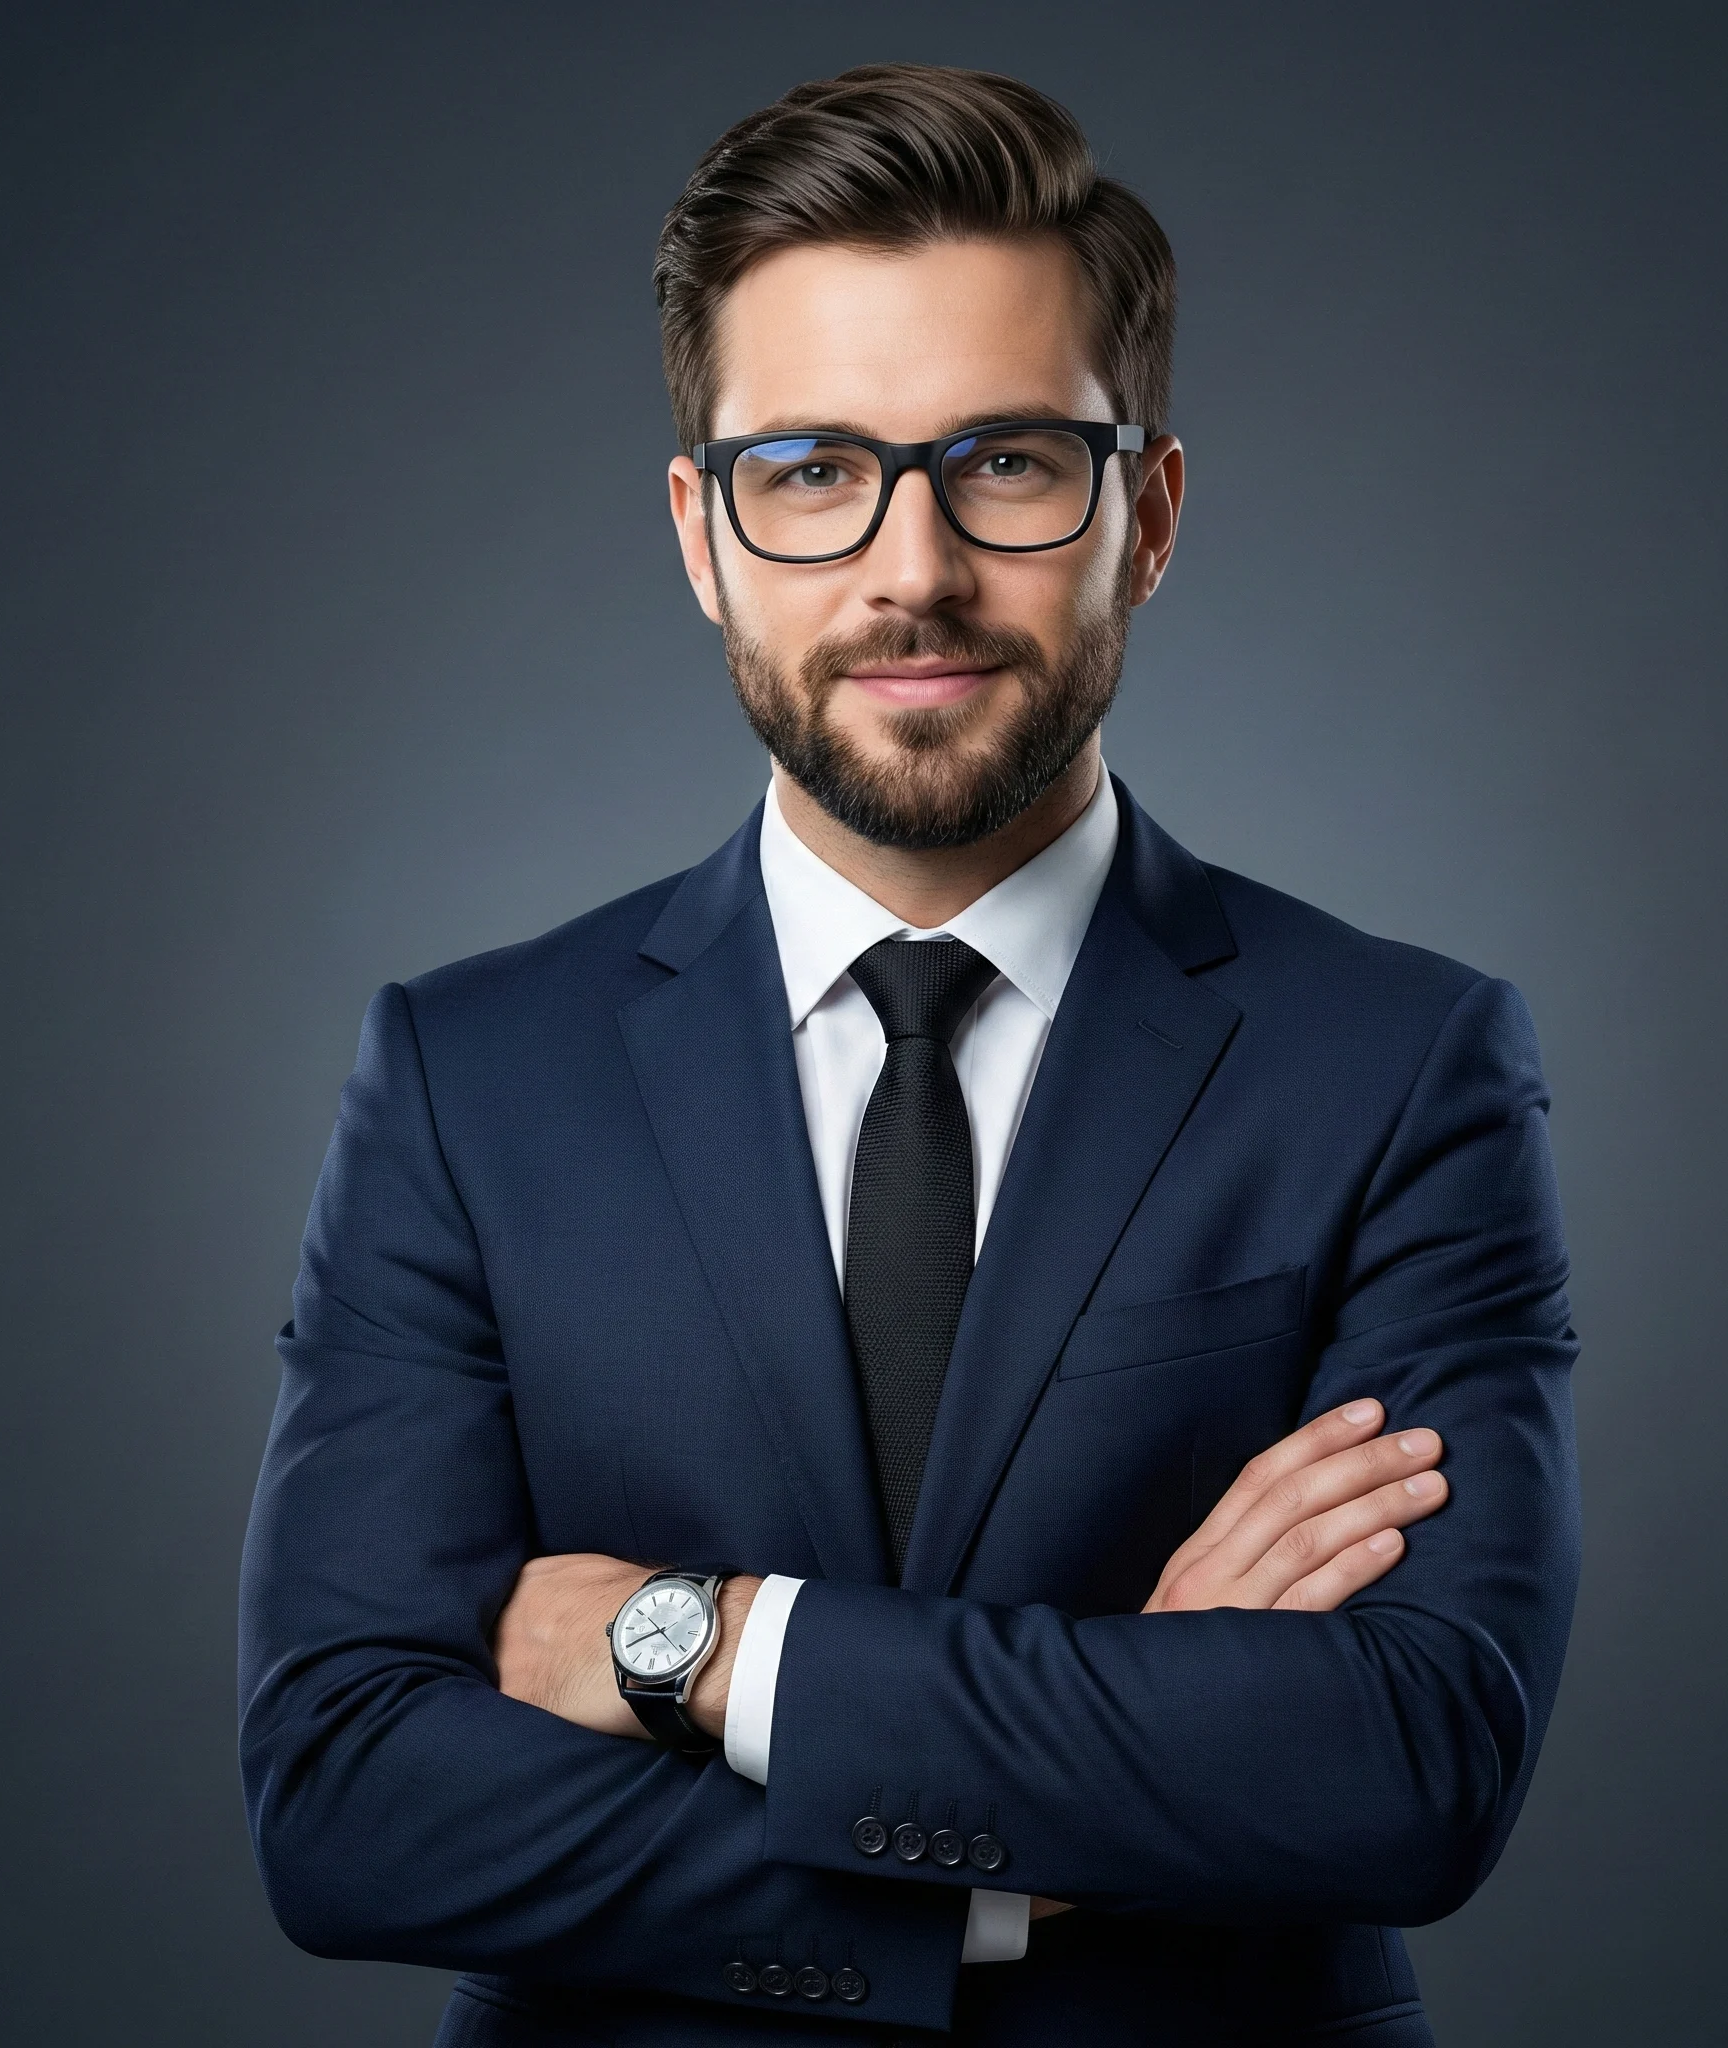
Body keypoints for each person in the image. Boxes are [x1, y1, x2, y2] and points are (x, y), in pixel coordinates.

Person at [238, 63, 1579, 2048]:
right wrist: (1021, 1844)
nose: (911, 568)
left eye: (1010, 461)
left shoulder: (1401, 1062)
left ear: (1150, 514)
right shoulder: (464, 1075)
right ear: (702, 533)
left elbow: (1410, 1758)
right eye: (809, 469)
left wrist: (696, 1643)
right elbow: (345, 1797)